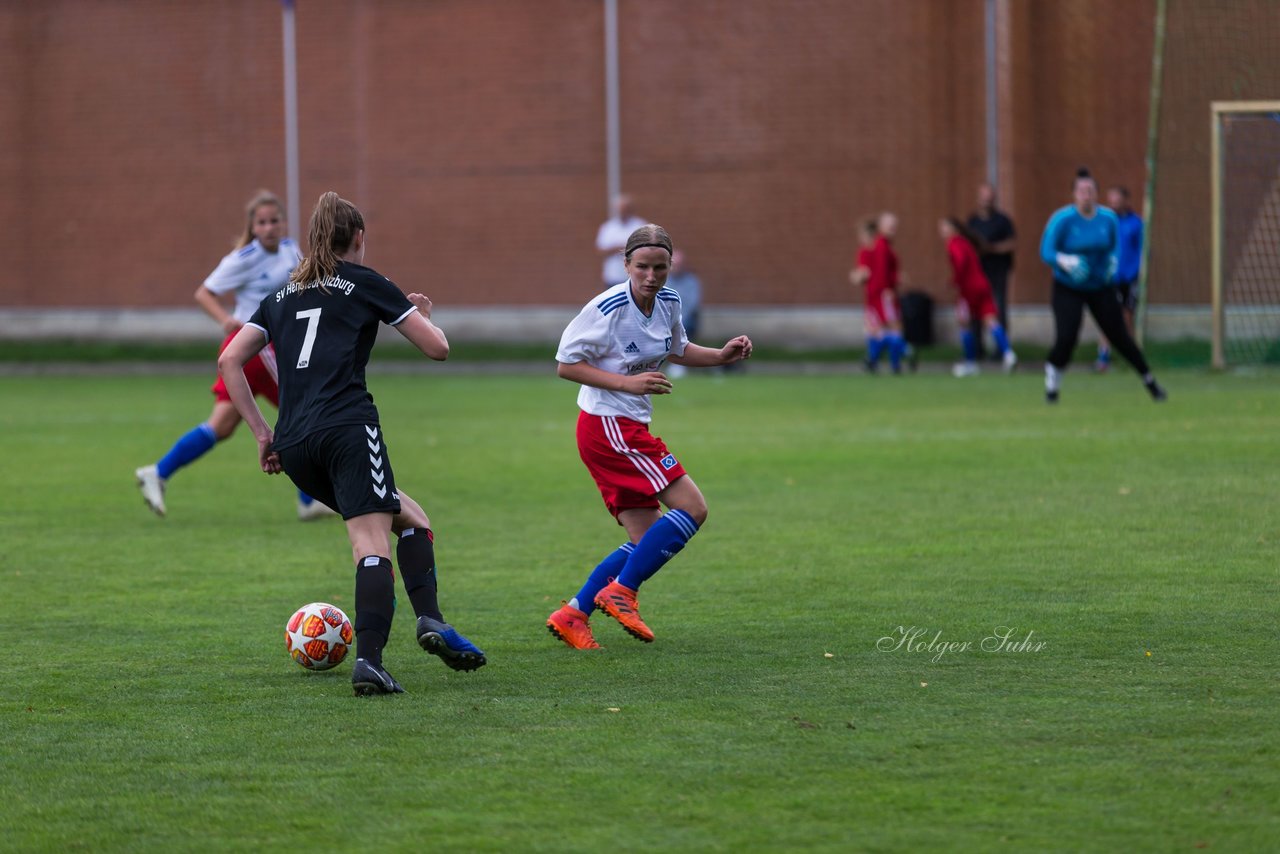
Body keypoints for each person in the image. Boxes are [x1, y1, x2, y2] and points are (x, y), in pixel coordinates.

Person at [217, 191, 486, 696]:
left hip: (295, 444)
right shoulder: (366, 282)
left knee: (412, 517)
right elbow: (438, 349)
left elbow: (230, 360)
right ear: (358, 238)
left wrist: (262, 434)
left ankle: (431, 619)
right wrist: (423, 314)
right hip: (346, 429)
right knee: (370, 541)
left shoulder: (281, 296)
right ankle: (370, 663)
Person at [545, 224, 752, 650]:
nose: (652, 275)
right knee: (693, 508)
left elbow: (677, 348)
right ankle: (621, 592)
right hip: (607, 426)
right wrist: (627, 385)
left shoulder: (669, 301)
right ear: (626, 265)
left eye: (660, 267)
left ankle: (574, 613)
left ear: (670, 266)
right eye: (642, 266)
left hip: (625, 426)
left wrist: (720, 356)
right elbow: (566, 364)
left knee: (646, 538)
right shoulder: (606, 308)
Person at [134, 190, 335, 521]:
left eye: (275, 220)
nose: (270, 227)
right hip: (255, 348)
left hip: (258, 351)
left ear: (284, 223)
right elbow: (204, 292)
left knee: (222, 426)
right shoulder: (243, 259)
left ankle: (157, 472)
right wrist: (225, 319)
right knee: (300, 412)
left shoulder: (289, 250)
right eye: (263, 222)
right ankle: (309, 499)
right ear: (253, 227)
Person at [1039, 169, 1166, 404]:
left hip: (1100, 287)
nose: (1086, 195)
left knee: (1119, 336)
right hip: (1068, 286)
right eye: (1081, 191)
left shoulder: (1107, 218)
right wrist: (1065, 260)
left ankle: (1150, 382)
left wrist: (1113, 263)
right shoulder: (1062, 219)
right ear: (1074, 195)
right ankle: (1052, 385)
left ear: (1097, 193)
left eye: (1090, 190)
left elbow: (1115, 247)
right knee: (1067, 337)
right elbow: (1046, 251)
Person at [939, 217, 1017, 376]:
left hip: (968, 290)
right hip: (982, 285)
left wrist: (955, 282)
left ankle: (970, 362)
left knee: (964, 323)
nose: (942, 231)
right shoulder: (966, 242)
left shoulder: (954, 243)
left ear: (955, 229)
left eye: (945, 227)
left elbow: (961, 263)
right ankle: (1009, 354)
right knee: (991, 320)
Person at [1094, 185, 1144, 372]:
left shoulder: (1136, 223)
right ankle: (1103, 356)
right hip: (1109, 278)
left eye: (1117, 200)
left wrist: (1137, 271)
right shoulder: (1105, 222)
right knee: (1106, 316)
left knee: (1126, 317)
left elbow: (1144, 251)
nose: (1113, 203)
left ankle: (1129, 357)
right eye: (1111, 200)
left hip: (1130, 278)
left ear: (1125, 201)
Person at [967, 183, 1017, 353]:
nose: (986, 201)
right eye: (983, 197)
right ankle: (977, 348)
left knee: (999, 309)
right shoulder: (972, 221)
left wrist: (992, 248)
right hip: (977, 273)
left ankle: (1001, 349)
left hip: (998, 271)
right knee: (975, 311)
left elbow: (1012, 243)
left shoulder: (1002, 221)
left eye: (989, 197)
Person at [863, 212, 908, 373]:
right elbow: (881, 270)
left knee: (880, 329)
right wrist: (888, 288)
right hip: (883, 292)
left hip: (881, 291)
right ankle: (896, 360)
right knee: (893, 328)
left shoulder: (885, 244)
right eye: (890, 224)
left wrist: (895, 279)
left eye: (894, 224)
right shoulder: (881, 244)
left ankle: (874, 359)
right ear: (880, 226)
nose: (893, 227)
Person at [595, 193, 647, 288]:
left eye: (625, 209)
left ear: (631, 209)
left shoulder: (640, 225)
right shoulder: (608, 227)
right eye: (620, 209)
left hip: (634, 275)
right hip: (613, 275)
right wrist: (617, 248)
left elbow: (647, 247)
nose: (622, 212)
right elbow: (600, 250)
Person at [664, 249, 702, 378]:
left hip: (684, 318)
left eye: (679, 265)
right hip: (665, 318)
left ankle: (678, 363)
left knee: (684, 324)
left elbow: (692, 304)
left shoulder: (691, 281)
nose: (677, 268)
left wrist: (678, 319)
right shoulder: (663, 280)